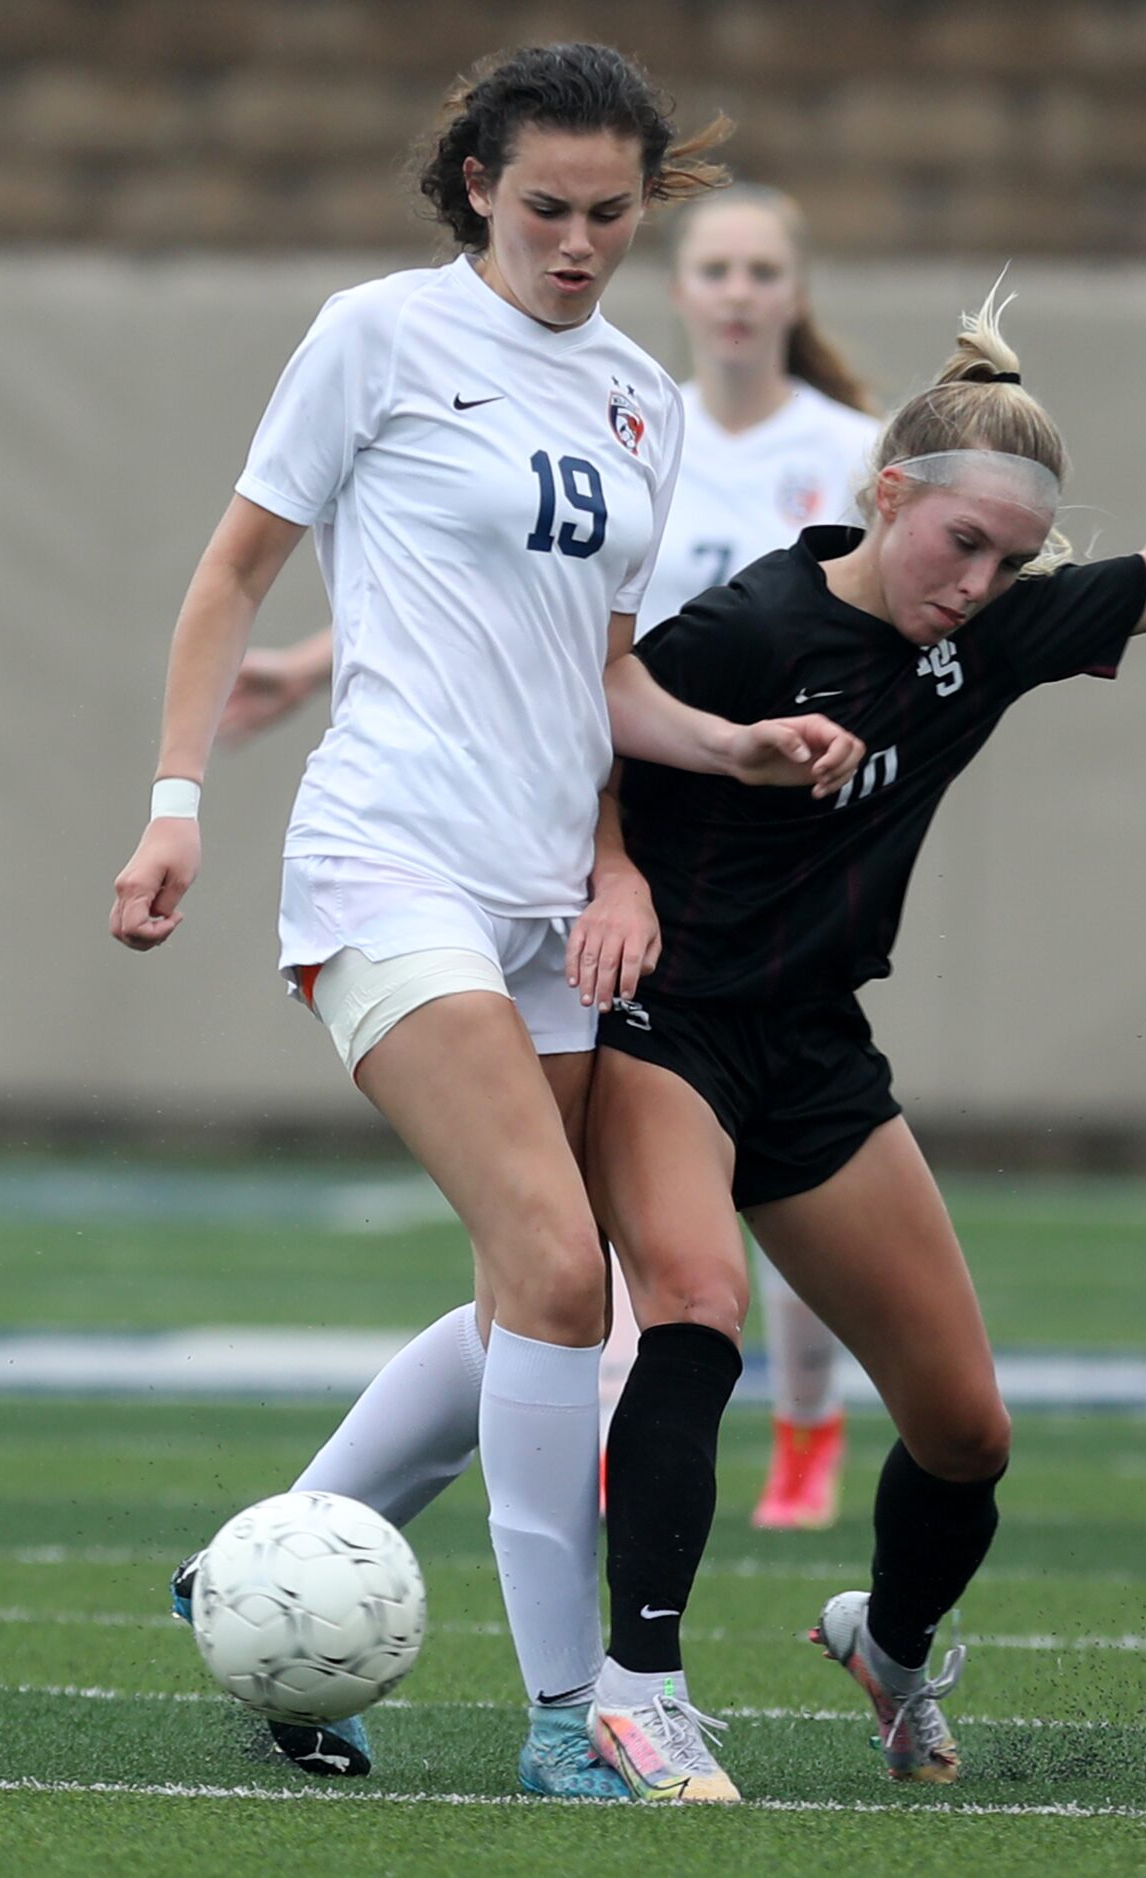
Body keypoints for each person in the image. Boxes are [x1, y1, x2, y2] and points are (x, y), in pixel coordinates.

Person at [108, 43, 862, 1801]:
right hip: (385, 866)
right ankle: (564, 1717)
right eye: (547, 208)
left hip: (546, 898)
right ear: (475, 188)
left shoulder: (638, 401)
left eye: (611, 213)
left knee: (528, 1292)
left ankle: (276, 1554)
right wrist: (172, 804)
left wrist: (704, 774)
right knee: (556, 1271)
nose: (582, 242)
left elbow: (599, 678)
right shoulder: (374, 336)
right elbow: (231, 574)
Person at [582, 271, 1146, 1801]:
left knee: (966, 1432)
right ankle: (637, 1688)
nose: (979, 580)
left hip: (815, 1048)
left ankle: (887, 1645)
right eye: (960, 541)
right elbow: (587, 715)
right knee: (697, 1312)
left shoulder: (988, 639)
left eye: (1013, 558)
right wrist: (615, 867)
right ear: (886, 491)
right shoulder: (746, 625)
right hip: (667, 1025)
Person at [218, 182, 880, 1531]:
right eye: (719, 267)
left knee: (665, 1219)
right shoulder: (482, 367)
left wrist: (764, 747)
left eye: (764, 268)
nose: (738, 291)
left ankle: (800, 1425)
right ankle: (573, 1681)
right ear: (689, 286)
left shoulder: (796, 441)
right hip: (551, 836)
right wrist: (276, 686)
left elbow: (588, 649)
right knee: (565, 1263)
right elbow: (507, 618)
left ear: (792, 290)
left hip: (729, 849)